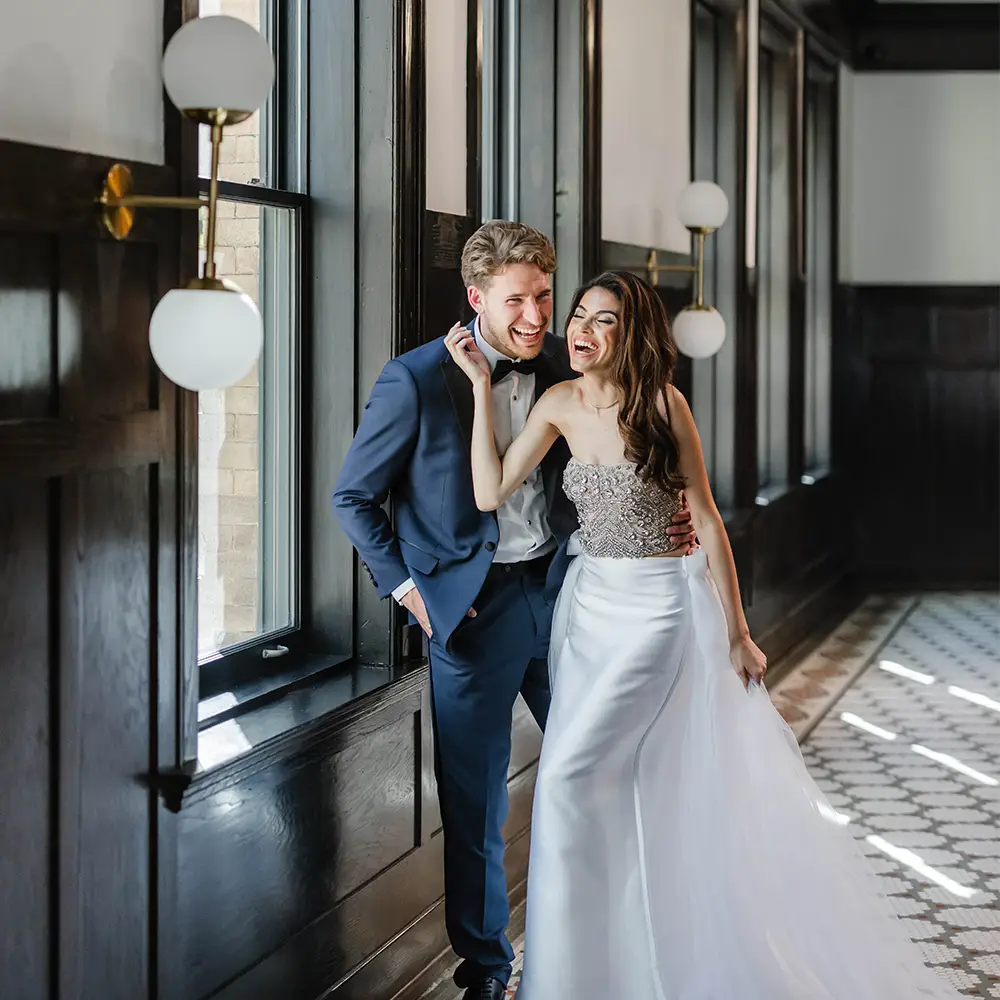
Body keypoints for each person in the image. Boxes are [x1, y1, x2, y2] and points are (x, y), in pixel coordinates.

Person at [444, 269, 963, 1000]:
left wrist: (739, 633)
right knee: (607, 783)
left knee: (565, 780)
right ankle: (599, 967)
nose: (584, 332)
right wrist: (475, 390)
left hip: (657, 610)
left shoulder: (663, 405)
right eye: (580, 317)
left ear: (633, 335)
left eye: (606, 321)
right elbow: (489, 492)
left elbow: (710, 518)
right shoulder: (559, 401)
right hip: (591, 611)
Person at [332, 225, 697, 1000]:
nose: (536, 316)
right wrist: (407, 592)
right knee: (478, 802)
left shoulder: (569, 366)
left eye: (543, 296)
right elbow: (353, 497)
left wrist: (667, 517)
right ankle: (488, 972)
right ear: (475, 300)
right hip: (467, 615)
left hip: (571, 597)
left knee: (602, 768)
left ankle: (619, 944)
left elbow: (627, 455)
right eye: (516, 300)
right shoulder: (415, 379)